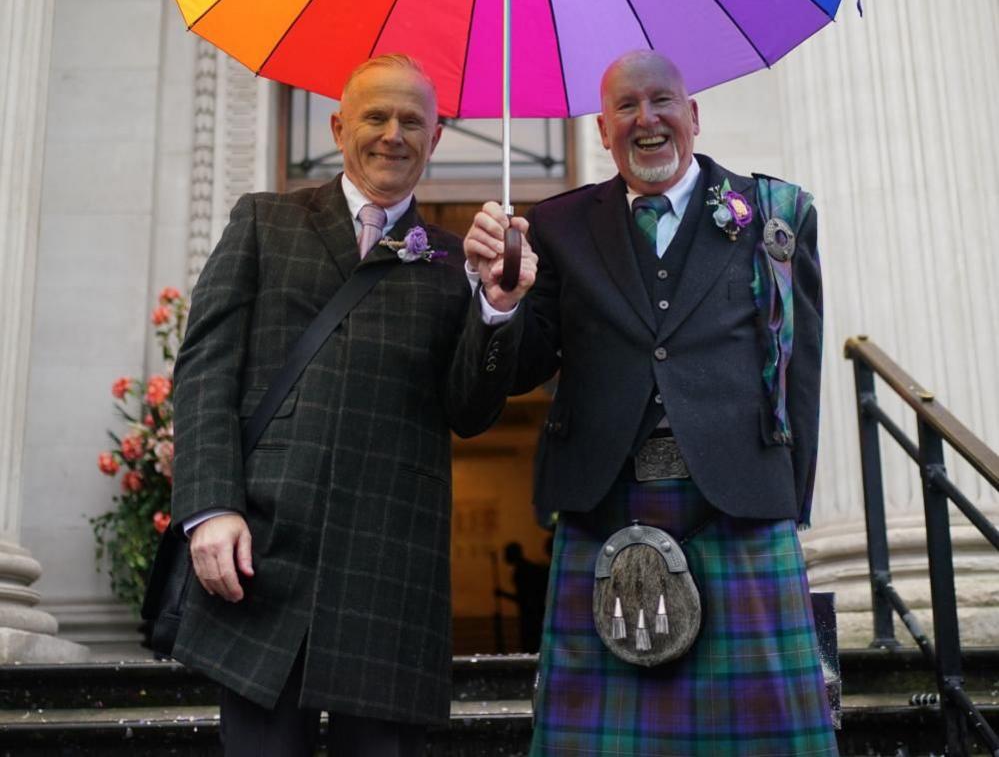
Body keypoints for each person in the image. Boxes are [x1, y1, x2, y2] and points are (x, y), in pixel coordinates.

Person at [465, 50, 837, 755]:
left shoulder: (772, 215)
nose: (646, 119)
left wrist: (789, 501)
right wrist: (499, 299)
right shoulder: (558, 226)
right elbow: (522, 369)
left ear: (691, 113)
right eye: (625, 108)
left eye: (660, 100)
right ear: (602, 129)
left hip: (739, 511)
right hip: (606, 506)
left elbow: (800, 368)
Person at [170, 54, 534, 757]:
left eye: (412, 121)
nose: (392, 134)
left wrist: (495, 305)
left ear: (436, 135)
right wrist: (210, 508)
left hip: (387, 567)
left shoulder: (454, 263)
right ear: (339, 127)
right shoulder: (264, 221)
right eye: (376, 116)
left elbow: (470, 410)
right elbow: (205, 371)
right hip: (261, 556)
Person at [494, 541, 550, 652]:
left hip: (531, 615)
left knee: (531, 645)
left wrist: (502, 594)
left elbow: (524, 598)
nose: (505, 557)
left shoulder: (522, 571)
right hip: (534, 614)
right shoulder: (526, 568)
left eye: (507, 553)